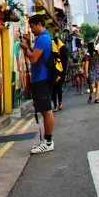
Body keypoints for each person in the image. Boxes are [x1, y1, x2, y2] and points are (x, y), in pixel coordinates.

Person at [21, 14, 56, 154]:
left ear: (39, 24)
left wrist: (25, 48)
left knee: (46, 110)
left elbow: (34, 58)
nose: (31, 29)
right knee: (44, 110)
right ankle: (46, 140)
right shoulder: (43, 38)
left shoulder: (43, 38)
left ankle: (48, 142)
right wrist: (29, 45)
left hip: (42, 79)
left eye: (32, 26)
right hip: (42, 79)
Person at [51, 34, 68, 111]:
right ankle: (58, 104)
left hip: (58, 72)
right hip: (58, 72)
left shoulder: (60, 49)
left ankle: (57, 105)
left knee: (56, 89)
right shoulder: (62, 48)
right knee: (57, 89)